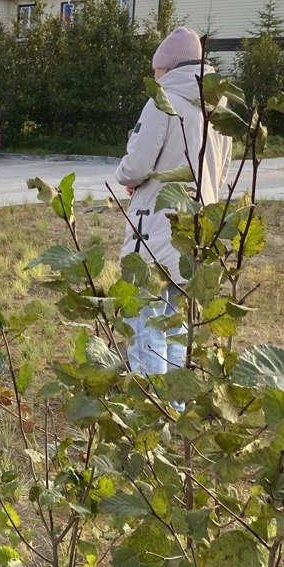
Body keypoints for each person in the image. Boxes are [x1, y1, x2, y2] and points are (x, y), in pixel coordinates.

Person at [114, 26, 233, 375]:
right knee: (178, 325)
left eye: (156, 69)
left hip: (157, 232)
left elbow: (133, 167)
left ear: (166, 68)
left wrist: (129, 178)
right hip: (198, 230)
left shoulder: (162, 102)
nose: (154, 75)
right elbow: (220, 175)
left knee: (145, 325)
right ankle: (176, 408)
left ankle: (150, 412)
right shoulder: (218, 110)